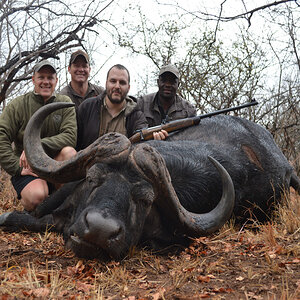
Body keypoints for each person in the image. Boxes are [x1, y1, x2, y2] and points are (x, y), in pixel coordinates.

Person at [0, 60, 77, 212]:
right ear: (33, 79)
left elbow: (70, 136)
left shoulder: (65, 102)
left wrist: (35, 146)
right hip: (28, 169)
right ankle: (30, 195)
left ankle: (61, 203)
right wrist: (16, 167)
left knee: (69, 153)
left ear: (56, 80)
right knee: (37, 198)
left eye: (50, 78)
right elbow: (1, 136)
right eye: (41, 77)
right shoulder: (18, 105)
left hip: (54, 167)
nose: (46, 82)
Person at [77, 64, 167, 150]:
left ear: (128, 87)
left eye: (122, 83)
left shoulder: (136, 116)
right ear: (106, 83)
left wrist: (155, 141)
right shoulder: (87, 107)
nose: (117, 86)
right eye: (113, 81)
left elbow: (142, 145)